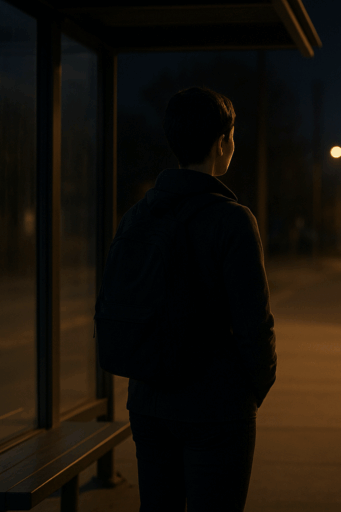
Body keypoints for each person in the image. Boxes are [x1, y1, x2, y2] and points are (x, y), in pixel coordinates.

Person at [124, 86, 276, 511]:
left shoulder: (139, 214)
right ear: (223, 142)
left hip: (149, 401)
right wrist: (254, 387)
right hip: (217, 405)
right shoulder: (233, 220)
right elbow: (254, 323)